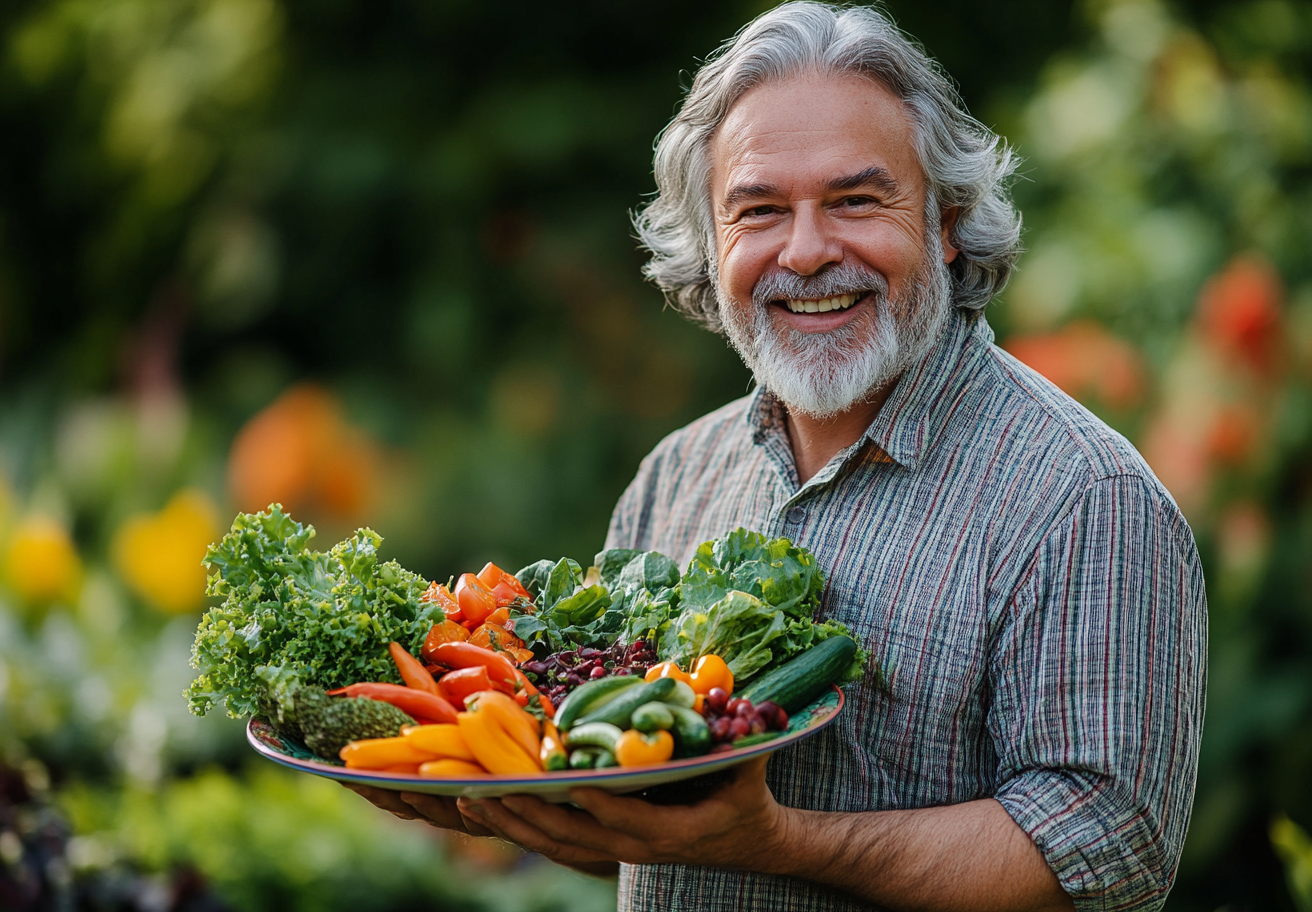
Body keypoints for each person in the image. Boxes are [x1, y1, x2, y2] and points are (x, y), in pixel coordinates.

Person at [346, 4, 1207, 910]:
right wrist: (501, 794)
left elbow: (1107, 853)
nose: (805, 251)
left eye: (855, 201)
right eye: (758, 211)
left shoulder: (1085, 500)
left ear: (947, 224)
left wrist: (780, 843)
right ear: (712, 244)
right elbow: (644, 816)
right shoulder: (676, 478)